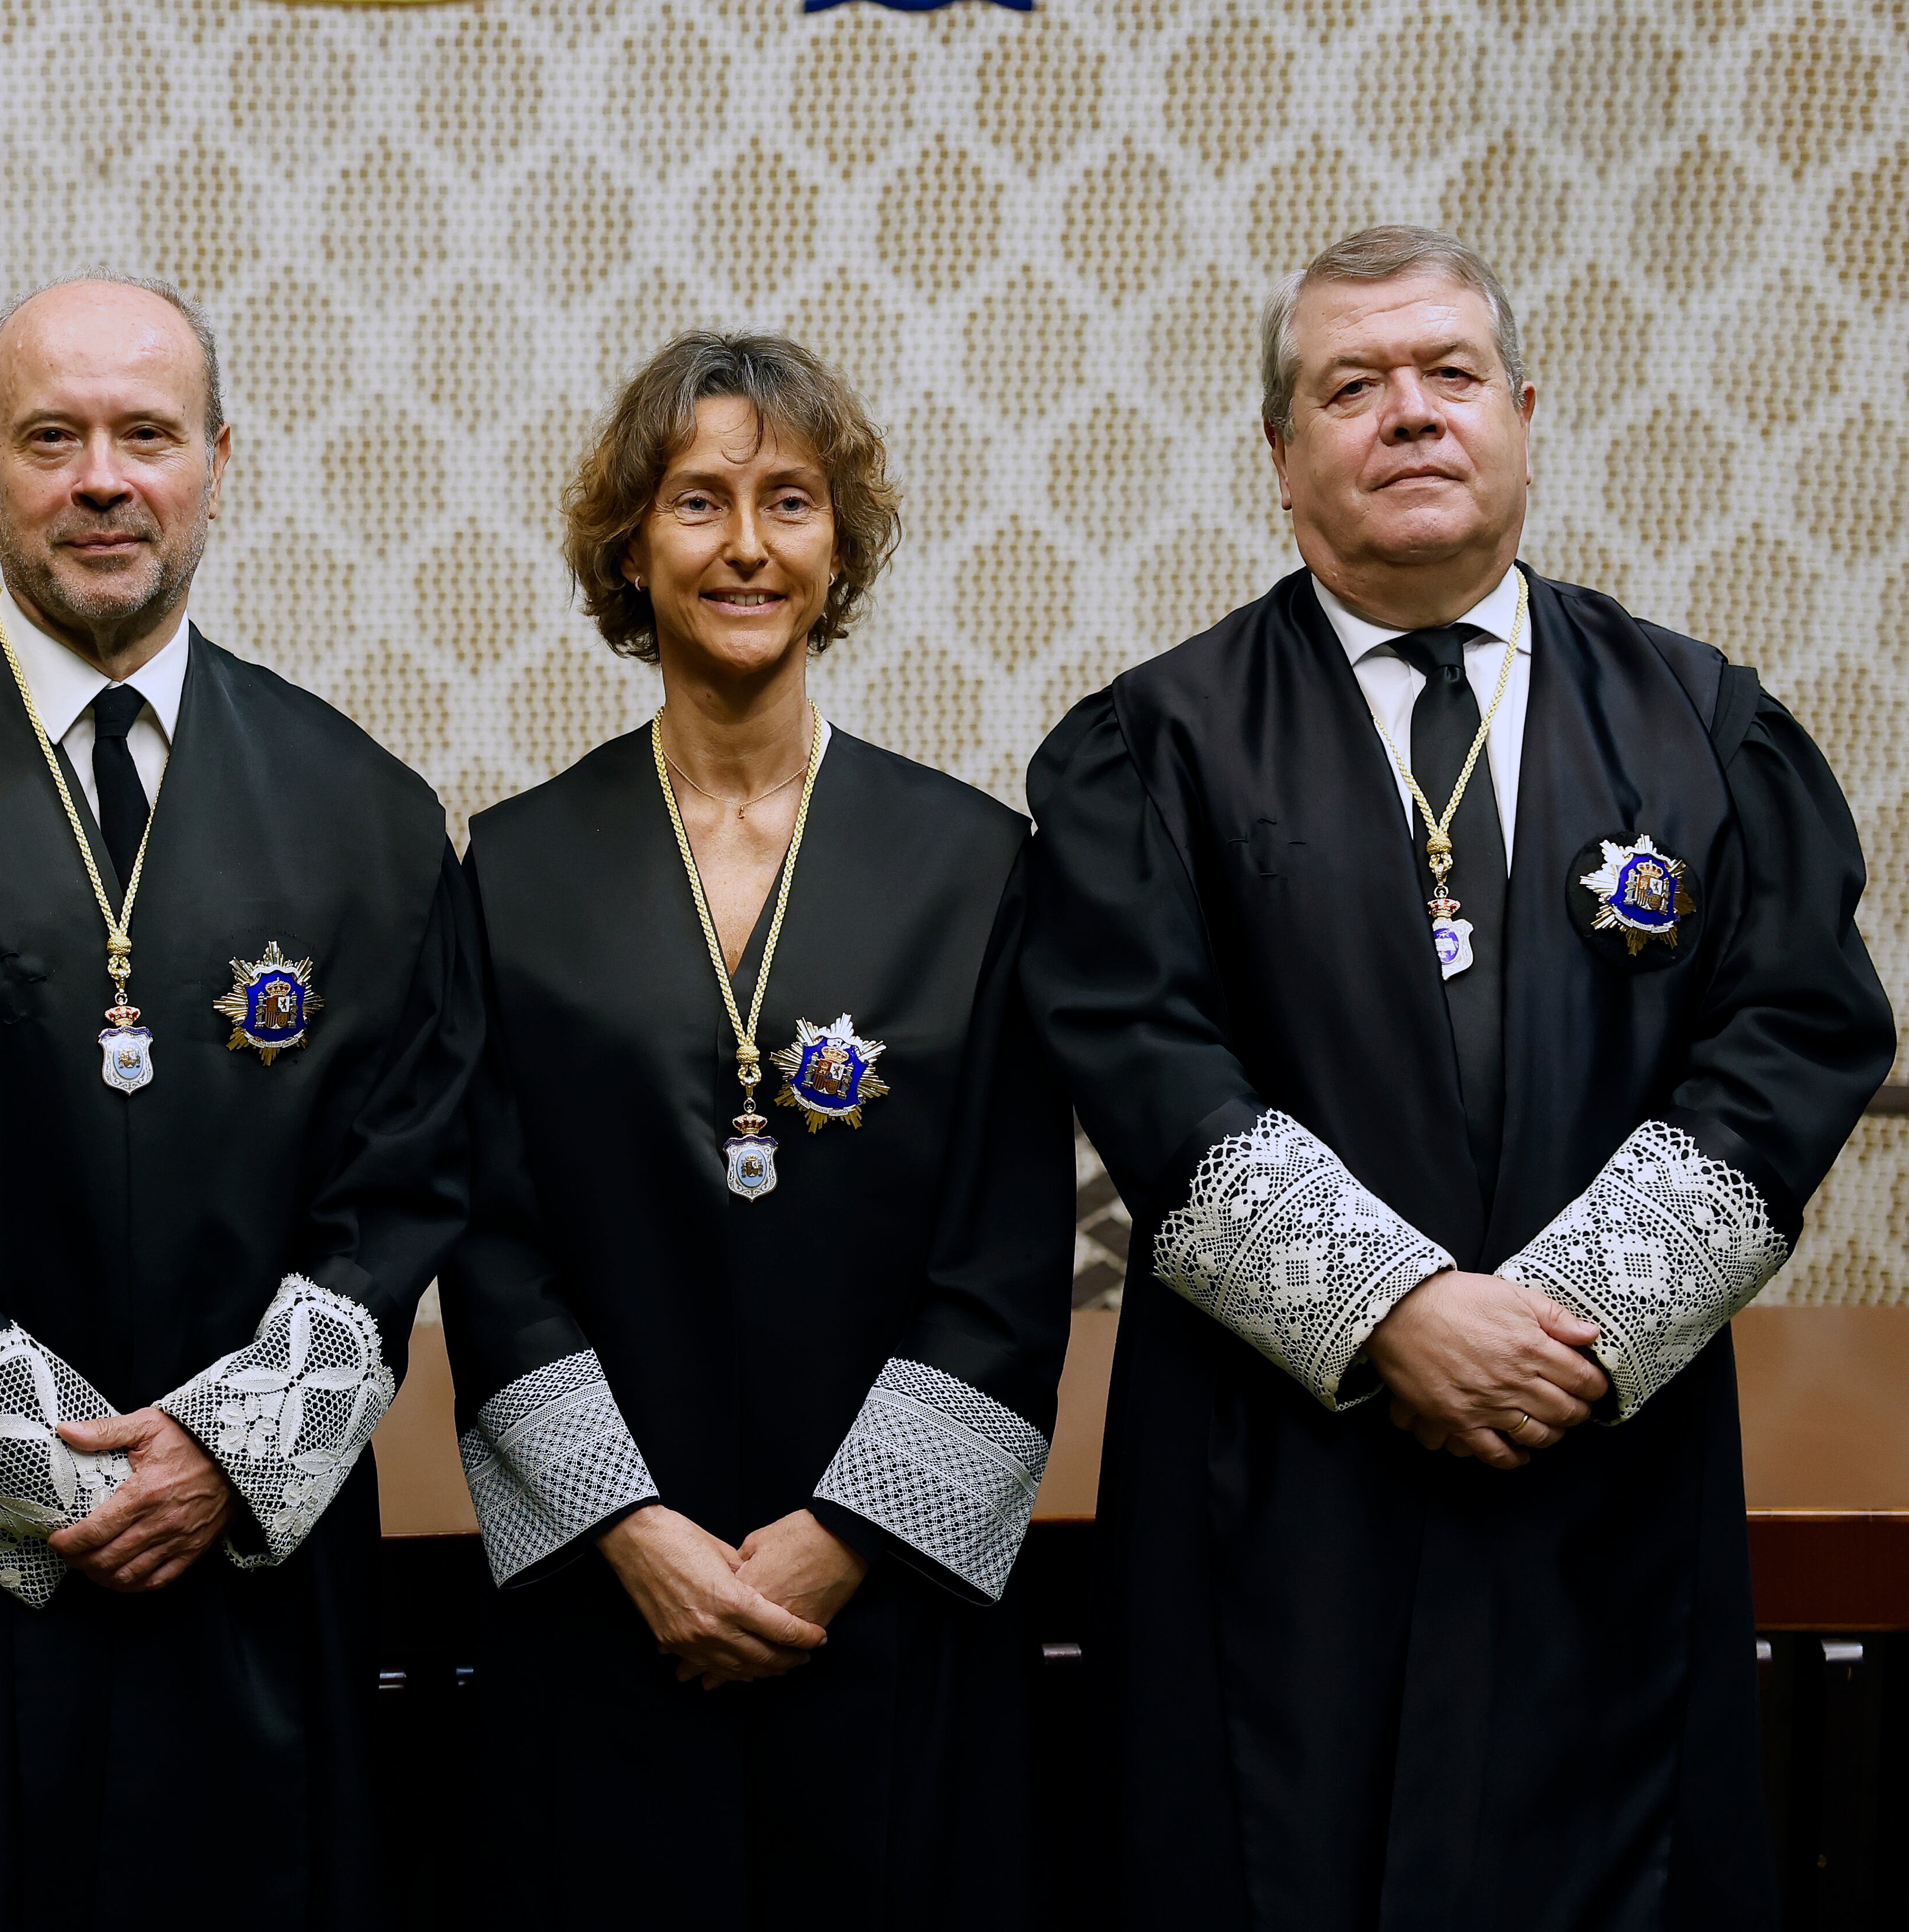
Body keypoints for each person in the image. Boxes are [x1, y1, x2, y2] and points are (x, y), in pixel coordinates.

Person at [1025, 225, 1892, 1930]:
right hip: (1277, 1485)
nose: (1409, 414)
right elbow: (1140, 1047)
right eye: (1353, 386)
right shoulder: (1157, 744)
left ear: (1522, 414)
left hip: (1602, 1455)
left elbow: (1797, 1031)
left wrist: (1567, 1315)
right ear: (1284, 458)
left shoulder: (1706, 726)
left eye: (1450, 374)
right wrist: (1399, 1310)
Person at [0, 272, 476, 1925]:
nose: (102, 478)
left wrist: (220, 1458)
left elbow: (407, 1182)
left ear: (218, 460)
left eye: (146, 434)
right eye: (52, 438)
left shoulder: (375, 818)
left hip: (252, 1581)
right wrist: (76, 1487)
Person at [441, 332, 1072, 1928]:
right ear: (629, 550)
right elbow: (488, 1239)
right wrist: (639, 1536)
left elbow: (1006, 1256)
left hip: (887, 1605)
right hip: (608, 1603)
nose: (743, 544)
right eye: (697, 502)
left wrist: (841, 1540)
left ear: (837, 545)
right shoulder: (512, 869)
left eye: (788, 501)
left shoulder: (979, 865)